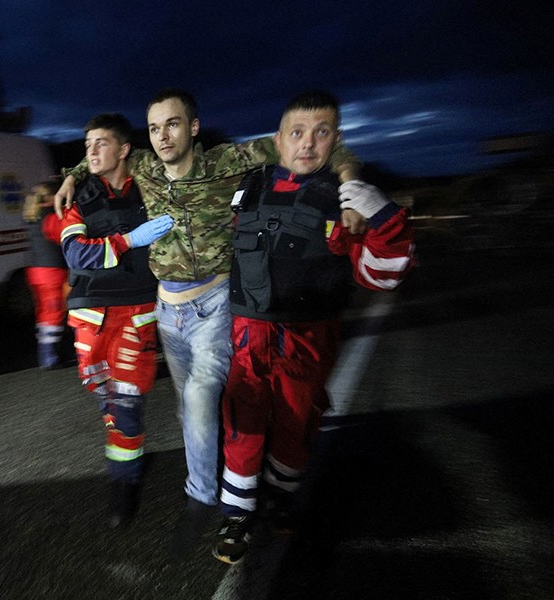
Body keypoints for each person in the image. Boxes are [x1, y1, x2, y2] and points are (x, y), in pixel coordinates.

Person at [55, 89, 361, 555]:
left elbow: (309, 145)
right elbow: (98, 153)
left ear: (193, 128)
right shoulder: (144, 166)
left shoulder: (226, 162)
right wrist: (70, 178)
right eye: (154, 127)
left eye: (173, 124)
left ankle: (204, 499)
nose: (163, 136)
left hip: (215, 304)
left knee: (201, 397)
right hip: (166, 311)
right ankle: (229, 471)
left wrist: (351, 186)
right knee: (188, 405)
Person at [212, 90, 415, 564]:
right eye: (297, 133)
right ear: (278, 141)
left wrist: (384, 220)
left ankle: (282, 497)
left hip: (308, 337)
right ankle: (237, 514)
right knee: (241, 425)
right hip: (247, 334)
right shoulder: (248, 184)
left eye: (321, 133)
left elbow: (381, 276)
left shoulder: (345, 201)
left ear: (336, 140)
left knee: (296, 425)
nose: (307, 144)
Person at [59, 113, 174, 528]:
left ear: (124, 150)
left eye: (101, 143)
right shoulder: (79, 197)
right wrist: (128, 241)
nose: (90, 150)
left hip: (137, 309)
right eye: (87, 143)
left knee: (126, 402)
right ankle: (123, 448)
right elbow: (75, 254)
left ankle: (123, 483)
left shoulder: (151, 187)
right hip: (90, 313)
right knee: (105, 397)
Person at [22, 180, 69, 370]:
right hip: (52, 272)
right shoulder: (50, 215)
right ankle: (49, 355)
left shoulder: (31, 215)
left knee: (43, 312)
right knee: (54, 312)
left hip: (34, 272)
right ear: (52, 196)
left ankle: (46, 351)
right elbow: (63, 238)